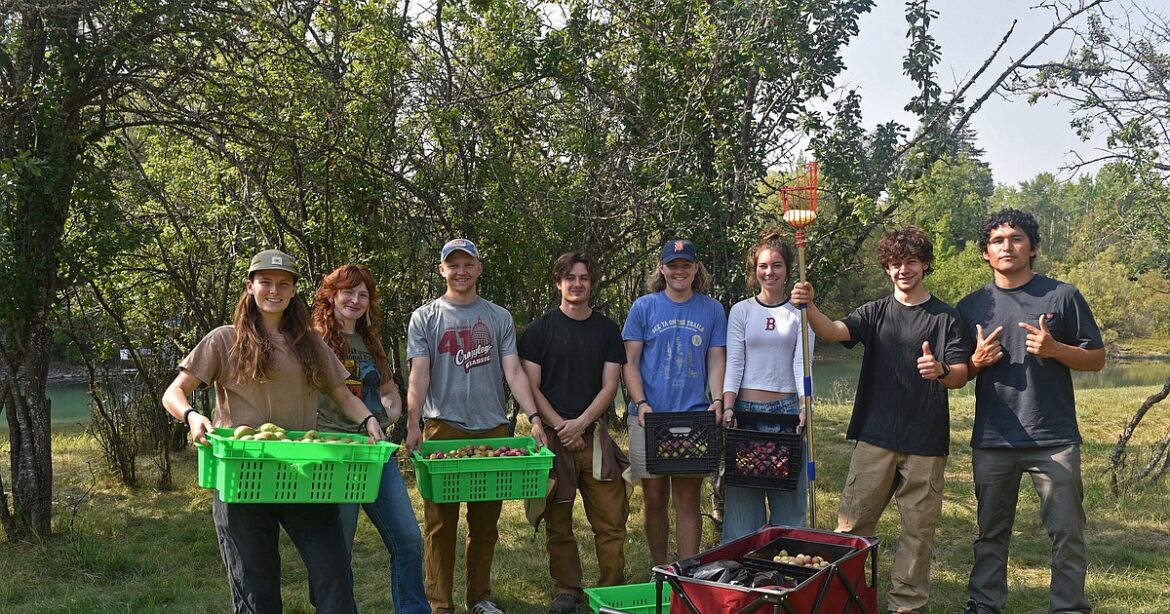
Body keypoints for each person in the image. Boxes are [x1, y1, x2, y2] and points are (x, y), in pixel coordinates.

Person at [161, 249, 386, 614]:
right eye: (265, 282)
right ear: (250, 287)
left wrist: (368, 420)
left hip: (305, 476)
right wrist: (191, 416)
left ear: (294, 290)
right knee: (256, 590)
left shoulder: (310, 343)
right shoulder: (223, 339)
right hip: (243, 477)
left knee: (334, 579)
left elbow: (342, 395)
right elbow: (174, 392)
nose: (274, 290)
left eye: (284, 283)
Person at [791, 227, 969, 614]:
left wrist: (939, 370)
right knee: (852, 527)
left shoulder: (946, 318)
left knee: (917, 533)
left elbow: (959, 375)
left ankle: (905, 606)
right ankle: (843, 596)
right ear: (886, 269)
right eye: (895, 263)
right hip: (875, 437)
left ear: (925, 265)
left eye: (911, 262)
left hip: (925, 441)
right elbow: (834, 332)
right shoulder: (875, 312)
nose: (904, 270)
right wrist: (810, 306)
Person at [959, 209, 1105, 614]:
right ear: (986, 253)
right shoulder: (972, 305)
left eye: (1016, 238)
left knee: (1067, 531)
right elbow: (958, 373)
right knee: (990, 532)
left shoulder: (1063, 296)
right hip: (993, 437)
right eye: (998, 240)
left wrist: (1057, 350)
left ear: (1033, 247)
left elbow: (1096, 359)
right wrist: (977, 362)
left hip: (1053, 437)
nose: (1007, 246)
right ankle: (984, 605)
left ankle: (1069, 607)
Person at [404, 238, 548, 614]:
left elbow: (513, 370)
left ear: (479, 269)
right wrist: (413, 422)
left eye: (468, 264)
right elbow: (419, 373)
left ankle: (479, 598)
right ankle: (440, 604)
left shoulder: (498, 317)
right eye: (453, 265)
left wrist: (533, 417)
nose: (461, 271)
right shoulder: (425, 317)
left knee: (485, 523)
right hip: (443, 428)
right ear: (442, 270)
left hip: (492, 429)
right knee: (439, 524)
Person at [311, 264, 430, 614]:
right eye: (348, 292)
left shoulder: (371, 341)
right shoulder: (312, 339)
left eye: (363, 295)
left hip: (375, 455)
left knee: (408, 538)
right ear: (331, 295)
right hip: (334, 455)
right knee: (337, 549)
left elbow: (390, 392)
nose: (356, 300)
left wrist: (389, 413)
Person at [518, 252, 630, 614]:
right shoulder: (539, 331)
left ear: (591, 282)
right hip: (554, 440)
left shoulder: (607, 330)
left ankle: (611, 589)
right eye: (570, 278)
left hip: (594, 437)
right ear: (558, 282)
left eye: (583, 277)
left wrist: (581, 424)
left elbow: (610, 385)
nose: (577, 284)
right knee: (559, 520)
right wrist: (560, 427)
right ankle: (567, 589)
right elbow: (531, 387)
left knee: (612, 521)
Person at [622, 238, 727, 565]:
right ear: (662, 268)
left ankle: (685, 573)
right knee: (653, 499)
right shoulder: (644, 307)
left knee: (688, 499)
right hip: (648, 417)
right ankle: (659, 568)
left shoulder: (712, 309)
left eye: (686, 265)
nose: (679, 271)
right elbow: (630, 362)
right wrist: (640, 403)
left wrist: (719, 398)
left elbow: (716, 359)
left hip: (693, 417)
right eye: (673, 266)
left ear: (696, 268)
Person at [720, 230, 812, 542]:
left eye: (776, 265)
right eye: (763, 266)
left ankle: (789, 569)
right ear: (754, 270)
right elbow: (734, 362)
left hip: (786, 414)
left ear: (787, 270)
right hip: (746, 415)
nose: (769, 272)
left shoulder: (799, 312)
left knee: (788, 501)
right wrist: (729, 405)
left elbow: (802, 364)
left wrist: (804, 407)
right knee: (743, 506)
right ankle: (741, 573)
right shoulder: (742, 311)